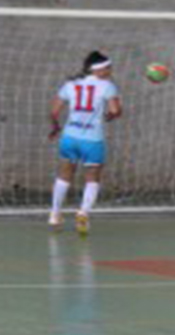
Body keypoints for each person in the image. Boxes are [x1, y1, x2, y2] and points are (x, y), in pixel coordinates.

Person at [48, 51, 122, 235]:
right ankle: (83, 213)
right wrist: (112, 115)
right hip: (92, 140)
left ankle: (55, 214)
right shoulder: (107, 86)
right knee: (93, 177)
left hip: (69, 137)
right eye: (108, 67)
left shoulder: (70, 84)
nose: (110, 70)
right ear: (98, 69)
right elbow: (115, 110)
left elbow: (54, 111)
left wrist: (56, 128)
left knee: (64, 174)